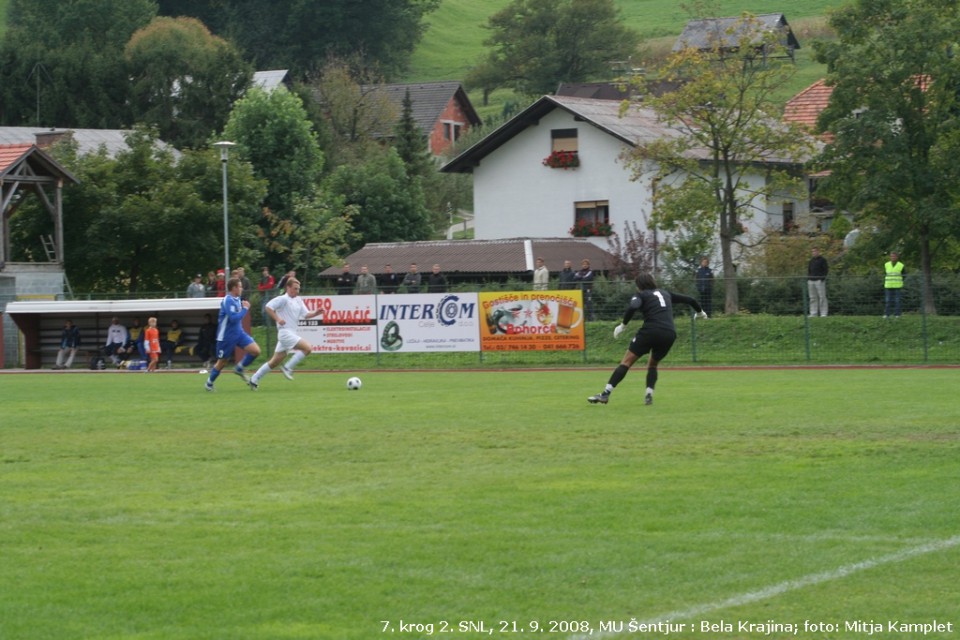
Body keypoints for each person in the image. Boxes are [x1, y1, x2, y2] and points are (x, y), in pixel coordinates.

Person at [588, 272, 707, 406]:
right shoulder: (665, 293)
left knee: (626, 362)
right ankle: (649, 395)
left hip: (650, 331)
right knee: (652, 364)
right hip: (669, 334)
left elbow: (633, 306)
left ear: (639, 285)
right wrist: (700, 312)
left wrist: (623, 325)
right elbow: (690, 300)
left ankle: (605, 394)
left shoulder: (641, 295)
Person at [248, 277, 323, 389]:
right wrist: (278, 319)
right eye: (295, 288)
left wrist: (316, 313)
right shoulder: (283, 299)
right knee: (307, 348)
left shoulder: (298, 300)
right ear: (288, 287)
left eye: (298, 289)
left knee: (274, 362)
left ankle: (254, 378)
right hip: (285, 333)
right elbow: (268, 307)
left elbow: (306, 314)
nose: (297, 291)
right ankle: (288, 367)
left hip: (291, 333)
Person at [205, 277, 261, 391]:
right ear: (234, 288)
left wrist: (243, 308)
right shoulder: (228, 300)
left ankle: (239, 368)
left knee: (256, 351)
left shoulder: (238, 299)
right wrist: (245, 309)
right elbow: (234, 318)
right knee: (222, 362)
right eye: (240, 286)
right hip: (226, 336)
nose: (242, 288)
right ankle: (209, 383)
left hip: (239, 333)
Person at [807, 247, 829, 317]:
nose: (814, 253)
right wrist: (809, 278)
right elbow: (809, 270)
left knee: (822, 297)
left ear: (818, 252)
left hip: (819, 281)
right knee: (812, 297)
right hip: (811, 281)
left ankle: (823, 313)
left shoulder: (823, 260)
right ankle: (813, 313)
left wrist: (822, 279)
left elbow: (825, 270)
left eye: (815, 251)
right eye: (812, 251)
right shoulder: (811, 261)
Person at [884, 251, 906, 318]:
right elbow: (885, 274)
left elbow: (904, 275)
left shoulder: (901, 265)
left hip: (897, 285)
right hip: (888, 285)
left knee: (897, 301)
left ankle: (897, 314)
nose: (892, 257)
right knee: (888, 301)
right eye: (891, 256)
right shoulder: (886, 264)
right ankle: (887, 314)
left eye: (894, 256)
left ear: (897, 257)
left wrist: (901, 281)